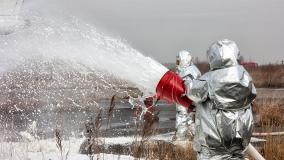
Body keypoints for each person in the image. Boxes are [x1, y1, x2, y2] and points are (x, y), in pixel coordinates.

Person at [184, 39, 256, 159]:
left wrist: (187, 82)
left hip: (214, 146)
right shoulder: (245, 78)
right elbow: (253, 94)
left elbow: (191, 91)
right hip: (240, 143)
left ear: (213, 57)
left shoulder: (208, 80)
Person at [174, 50, 201, 141]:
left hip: (185, 100)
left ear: (183, 60)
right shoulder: (189, 69)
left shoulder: (188, 71)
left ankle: (180, 140)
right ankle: (195, 138)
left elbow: (188, 86)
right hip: (187, 101)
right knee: (190, 120)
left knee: (182, 118)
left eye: (178, 61)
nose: (177, 63)